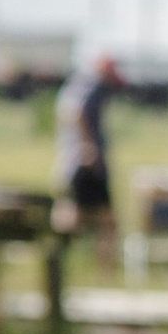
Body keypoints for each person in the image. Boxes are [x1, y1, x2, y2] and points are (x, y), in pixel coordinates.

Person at [54, 49, 125, 263]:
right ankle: (102, 267)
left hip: (72, 160)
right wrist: (87, 145)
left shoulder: (76, 85)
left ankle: (60, 259)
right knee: (105, 219)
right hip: (86, 162)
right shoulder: (91, 86)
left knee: (73, 211)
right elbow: (76, 112)